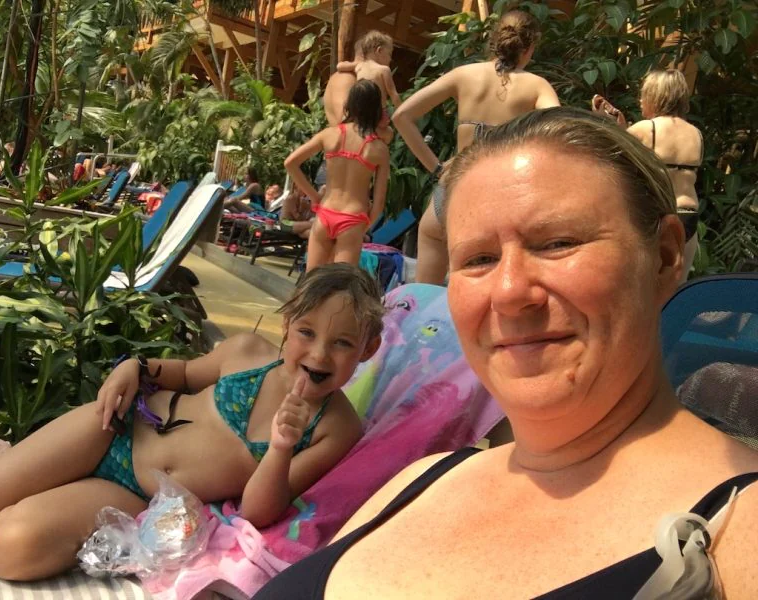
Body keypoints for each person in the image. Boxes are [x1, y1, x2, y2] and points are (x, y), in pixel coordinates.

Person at [255, 107, 758, 600]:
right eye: (479, 258)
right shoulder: (425, 478)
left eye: (558, 242)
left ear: (665, 258)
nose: (510, 291)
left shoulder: (740, 532)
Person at [0, 263, 384, 581]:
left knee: (9, 549)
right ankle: (12, 471)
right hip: (113, 428)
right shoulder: (248, 352)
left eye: (343, 343)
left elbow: (258, 510)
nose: (319, 354)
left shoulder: (336, 428)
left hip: (138, 494)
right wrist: (136, 367)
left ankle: (18, 477)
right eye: (307, 332)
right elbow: (181, 374)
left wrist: (280, 447)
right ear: (288, 325)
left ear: (368, 349)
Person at [392, 9, 560, 285]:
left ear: (494, 40)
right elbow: (559, 129)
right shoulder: (536, 86)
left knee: (424, 289)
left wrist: (436, 168)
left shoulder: (463, 75)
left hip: (453, 187)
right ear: (529, 48)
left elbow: (402, 116)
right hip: (500, 195)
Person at [592, 69, 703, 281]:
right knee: (677, 286)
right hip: (689, 213)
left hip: (661, 214)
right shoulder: (695, 134)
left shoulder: (647, 128)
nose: (640, 100)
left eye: (643, 94)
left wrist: (604, 120)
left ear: (655, 96)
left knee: (645, 284)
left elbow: (613, 156)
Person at [284, 81, 390, 270]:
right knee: (339, 283)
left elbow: (290, 163)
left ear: (350, 104)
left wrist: (314, 196)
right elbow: (379, 203)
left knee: (312, 280)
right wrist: (363, 227)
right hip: (353, 218)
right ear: (375, 109)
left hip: (325, 212)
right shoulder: (379, 149)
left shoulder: (330, 135)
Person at [337, 30, 402, 141]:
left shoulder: (360, 66)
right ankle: (373, 142)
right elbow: (393, 94)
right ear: (379, 50)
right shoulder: (384, 70)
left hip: (359, 112)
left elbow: (339, 66)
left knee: (348, 122)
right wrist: (402, 111)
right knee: (389, 134)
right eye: (389, 54)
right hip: (377, 114)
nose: (390, 59)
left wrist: (355, 64)